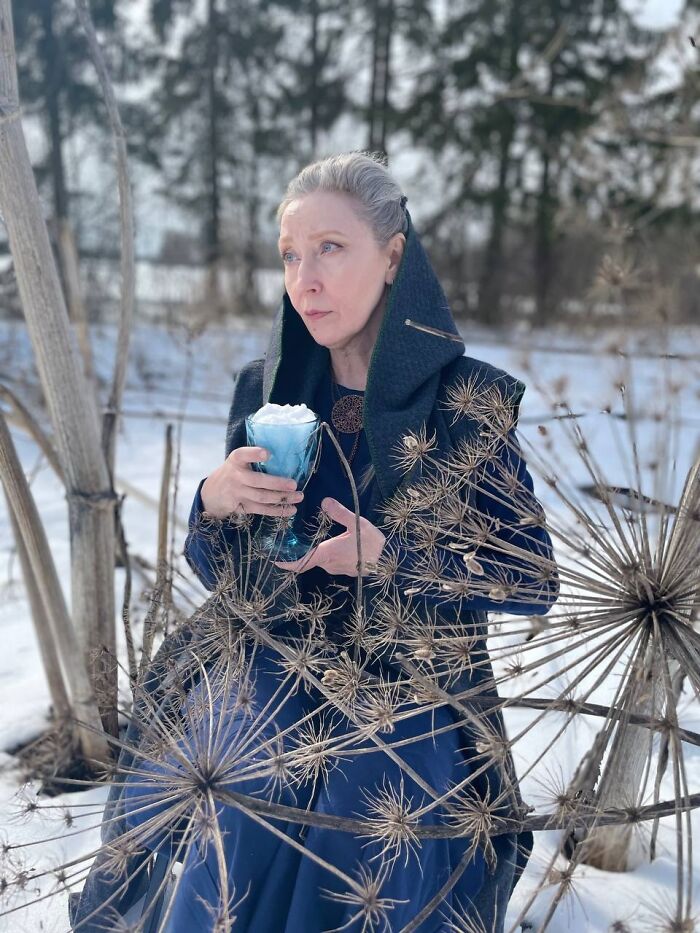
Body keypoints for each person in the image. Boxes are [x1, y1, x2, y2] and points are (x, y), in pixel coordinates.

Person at [70, 151, 558, 933]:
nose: (306, 278)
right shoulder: (266, 386)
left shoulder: (470, 400)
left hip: (408, 676)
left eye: (331, 247)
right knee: (233, 775)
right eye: (291, 256)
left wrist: (392, 558)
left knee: (365, 798)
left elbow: (531, 578)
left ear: (393, 255)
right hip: (266, 647)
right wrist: (214, 502)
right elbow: (227, 574)